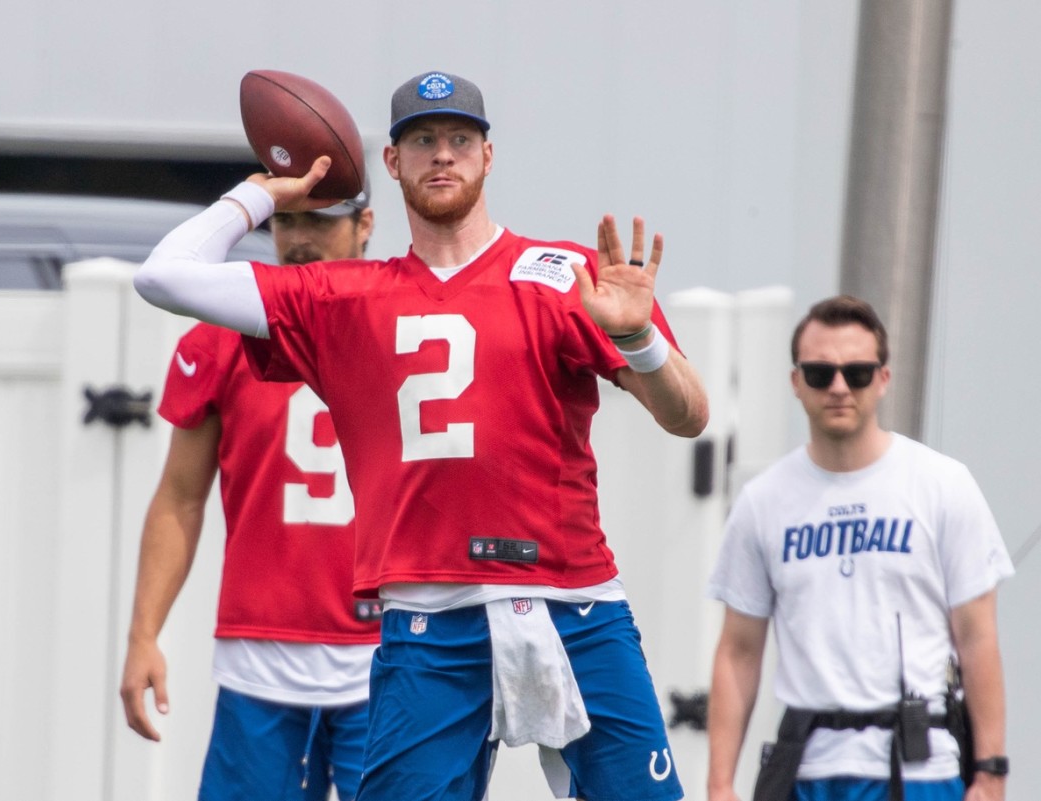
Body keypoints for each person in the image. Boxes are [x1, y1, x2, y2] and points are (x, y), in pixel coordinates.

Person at [135, 70, 709, 801]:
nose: (444, 155)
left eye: (460, 140)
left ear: (488, 156)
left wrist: (638, 341)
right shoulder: (342, 295)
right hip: (428, 621)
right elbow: (163, 275)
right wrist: (261, 193)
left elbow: (688, 414)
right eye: (424, 141)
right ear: (393, 163)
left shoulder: (564, 273)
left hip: (574, 599)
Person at [119, 184, 379, 801]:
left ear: (365, 223)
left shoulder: (406, 319)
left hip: (390, 653)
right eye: (283, 221)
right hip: (261, 655)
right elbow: (180, 497)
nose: (297, 239)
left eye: (318, 220)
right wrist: (143, 635)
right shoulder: (223, 331)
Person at [705, 295, 1013, 801]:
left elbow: (977, 637)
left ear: (883, 379)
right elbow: (738, 652)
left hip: (920, 767)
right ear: (796, 382)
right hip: (805, 769)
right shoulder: (763, 502)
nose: (840, 387)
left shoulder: (942, 485)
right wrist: (720, 785)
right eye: (821, 373)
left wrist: (991, 771)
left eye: (859, 372)